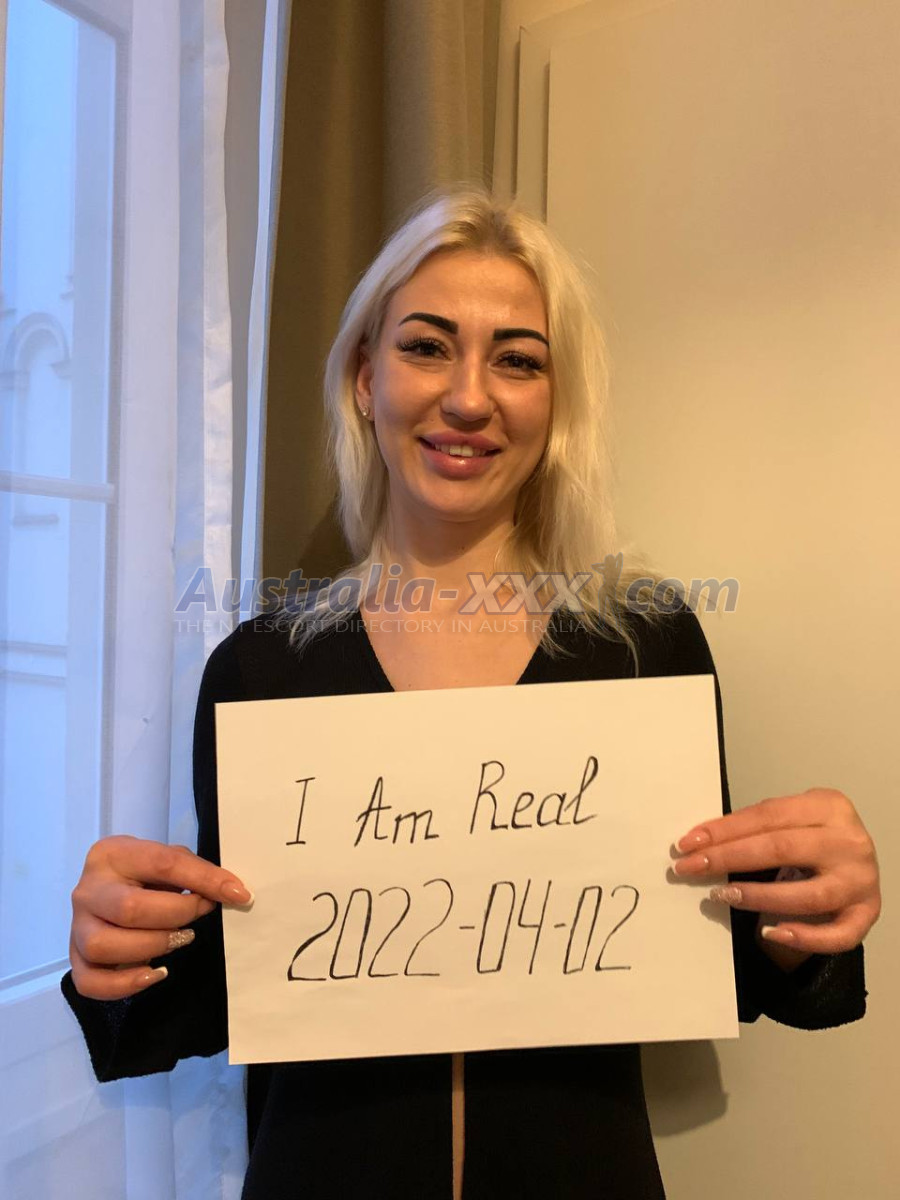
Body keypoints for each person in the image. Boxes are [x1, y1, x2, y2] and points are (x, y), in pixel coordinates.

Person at [63, 184, 880, 1199]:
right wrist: (115, 955)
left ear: (556, 401)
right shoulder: (260, 670)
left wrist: (815, 903)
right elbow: (240, 977)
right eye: (427, 346)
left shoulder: (644, 646)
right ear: (366, 379)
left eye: (518, 359)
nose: (468, 397)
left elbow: (715, 946)